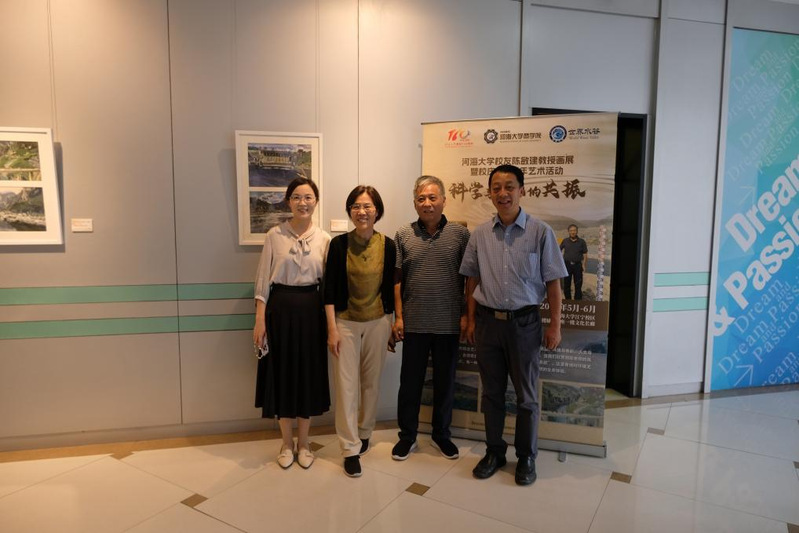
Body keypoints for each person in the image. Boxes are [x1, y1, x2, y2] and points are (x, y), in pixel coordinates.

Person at [460, 164, 567, 486]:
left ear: (522, 190)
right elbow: (471, 279)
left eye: (509, 187)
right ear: (489, 193)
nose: (502, 193)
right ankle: (494, 452)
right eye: (496, 188)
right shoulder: (480, 234)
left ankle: (526, 457)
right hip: (487, 324)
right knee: (491, 393)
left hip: (525, 324)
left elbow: (553, 284)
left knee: (527, 397)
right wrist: (469, 318)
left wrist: (555, 326)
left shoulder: (540, 232)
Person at [252, 177, 331, 470]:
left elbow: (329, 287)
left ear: (316, 201)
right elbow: (263, 279)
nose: (302, 202)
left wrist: (331, 326)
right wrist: (260, 320)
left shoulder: (324, 239)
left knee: (307, 375)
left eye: (308, 197)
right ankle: (286, 443)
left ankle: (305, 443)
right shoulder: (274, 235)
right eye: (296, 197)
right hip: (280, 310)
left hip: (312, 311)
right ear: (288, 201)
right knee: (283, 374)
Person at [391, 175, 470, 461]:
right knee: (409, 383)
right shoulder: (403, 234)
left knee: (445, 383)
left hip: (448, 323)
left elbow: (469, 280)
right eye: (421, 199)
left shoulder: (460, 235)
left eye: (432, 198)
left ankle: (441, 435)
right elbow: (397, 280)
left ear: (444, 201)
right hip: (414, 322)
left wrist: (466, 316)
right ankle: (407, 436)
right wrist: (399, 317)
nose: (427, 203)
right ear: (415, 203)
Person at [324, 185, 396, 478]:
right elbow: (329, 290)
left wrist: (393, 321)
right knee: (346, 387)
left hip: (378, 322)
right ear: (350, 211)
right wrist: (332, 329)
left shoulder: (388, 245)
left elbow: (392, 285)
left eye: (367, 206)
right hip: (345, 323)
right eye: (356, 206)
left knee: (371, 383)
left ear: (377, 210)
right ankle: (349, 448)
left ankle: (365, 432)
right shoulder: (338, 245)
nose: (361, 211)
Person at [560, 224, 588, 300]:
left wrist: (584, 265)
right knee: (566, 285)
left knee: (578, 285)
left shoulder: (582, 242)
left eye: (574, 230)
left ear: (577, 231)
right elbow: (558, 251)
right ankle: (568, 301)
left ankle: (577, 302)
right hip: (567, 266)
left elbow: (585, 254)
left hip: (578, 266)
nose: (573, 232)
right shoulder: (565, 241)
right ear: (568, 231)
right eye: (571, 230)